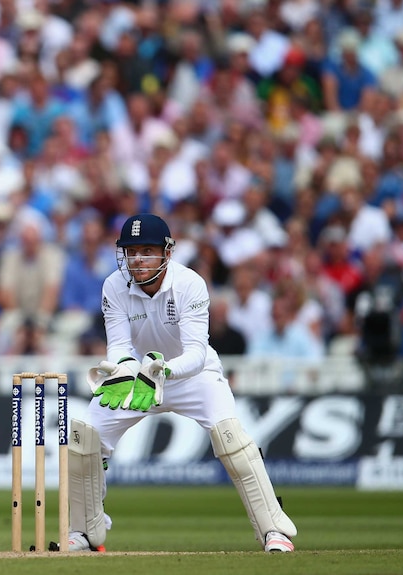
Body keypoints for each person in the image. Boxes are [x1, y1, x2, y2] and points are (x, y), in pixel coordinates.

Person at [69, 213, 296, 553]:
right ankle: (87, 532)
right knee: (85, 435)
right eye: (131, 251)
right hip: (141, 376)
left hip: (193, 376)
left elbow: (196, 353)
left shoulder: (189, 283)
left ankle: (273, 530)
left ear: (167, 252)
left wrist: (161, 371)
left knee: (231, 438)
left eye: (147, 250)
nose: (138, 259)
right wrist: (126, 369)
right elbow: (118, 346)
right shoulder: (114, 284)